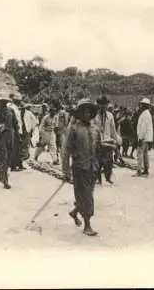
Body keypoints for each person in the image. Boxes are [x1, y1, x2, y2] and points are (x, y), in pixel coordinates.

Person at [62, 98, 100, 236]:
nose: (87, 114)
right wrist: (66, 170)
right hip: (79, 167)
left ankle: (74, 212)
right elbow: (65, 150)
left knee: (86, 195)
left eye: (89, 111)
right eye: (84, 111)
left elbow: (99, 147)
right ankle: (87, 225)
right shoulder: (73, 129)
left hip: (93, 167)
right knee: (86, 196)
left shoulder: (95, 129)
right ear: (79, 113)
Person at [0, 94, 18, 189]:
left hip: (10, 137)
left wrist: (18, 136)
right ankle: (5, 180)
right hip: (1, 137)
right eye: (1, 102)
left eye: (5, 102)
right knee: (3, 157)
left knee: (9, 158)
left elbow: (15, 124)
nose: (3, 104)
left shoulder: (11, 111)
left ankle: (1, 172)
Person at [92, 96, 119, 185]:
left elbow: (113, 130)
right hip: (97, 141)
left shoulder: (110, 116)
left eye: (105, 104)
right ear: (98, 105)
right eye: (101, 104)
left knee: (109, 161)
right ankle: (97, 178)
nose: (103, 106)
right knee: (98, 161)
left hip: (107, 141)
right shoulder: (94, 116)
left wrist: (117, 139)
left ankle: (108, 177)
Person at [133, 98, 153, 177]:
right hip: (147, 138)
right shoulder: (147, 114)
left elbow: (143, 128)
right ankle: (146, 170)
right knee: (145, 154)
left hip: (143, 138)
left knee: (140, 154)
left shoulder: (145, 114)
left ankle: (139, 171)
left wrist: (140, 138)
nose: (140, 106)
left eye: (142, 104)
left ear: (145, 105)